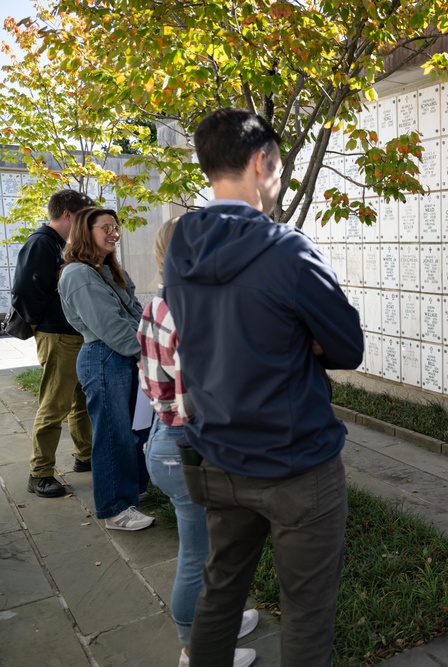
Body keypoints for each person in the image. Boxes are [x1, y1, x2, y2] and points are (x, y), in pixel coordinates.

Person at [162, 108, 363, 666]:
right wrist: (308, 340)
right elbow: (347, 347)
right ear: (261, 162)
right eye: (278, 168)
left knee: (221, 589)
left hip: (219, 456)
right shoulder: (288, 251)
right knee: (307, 610)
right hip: (297, 463)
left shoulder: (181, 246)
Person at [138, 218, 258, 667]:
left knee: (209, 549)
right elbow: (201, 399)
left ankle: (217, 623)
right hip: (188, 444)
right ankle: (198, 649)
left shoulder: (162, 301)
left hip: (166, 439)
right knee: (199, 554)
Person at [59, 207, 154, 531]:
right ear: (86, 232)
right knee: (113, 436)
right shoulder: (78, 274)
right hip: (104, 358)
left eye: (116, 227)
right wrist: (145, 353)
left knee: (135, 431)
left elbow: (137, 313)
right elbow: (110, 326)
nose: (115, 233)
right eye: (106, 228)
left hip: (125, 356)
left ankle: (132, 492)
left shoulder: (108, 269)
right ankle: (115, 508)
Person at [12, 189, 95, 498]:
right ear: (68, 215)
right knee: (54, 405)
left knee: (80, 402)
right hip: (56, 335)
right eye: (84, 217)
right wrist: (38, 323)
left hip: (71, 334)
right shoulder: (42, 244)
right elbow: (23, 290)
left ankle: (84, 456)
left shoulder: (60, 244)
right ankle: (40, 473)